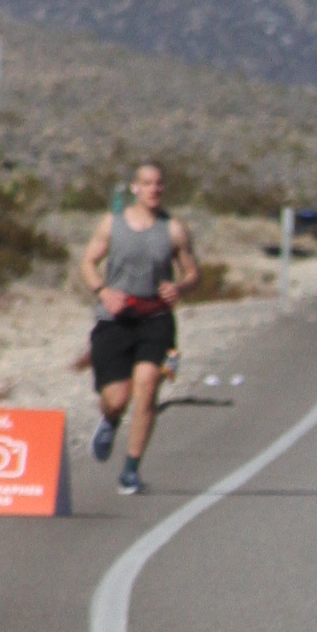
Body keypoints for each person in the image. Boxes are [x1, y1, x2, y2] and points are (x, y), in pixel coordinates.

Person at [81, 162, 198, 493]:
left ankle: (130, 470)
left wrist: (180, 288)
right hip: (115, 319)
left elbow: (193, 273)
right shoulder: (112, 223)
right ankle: (110, 419)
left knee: (146, 389)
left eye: (159, 184)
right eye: (147, 183)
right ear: (135, 187)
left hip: (155, 319)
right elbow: (88, 262)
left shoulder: (173, 229)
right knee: (117, 398)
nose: (154, 189)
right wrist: (103, 291)